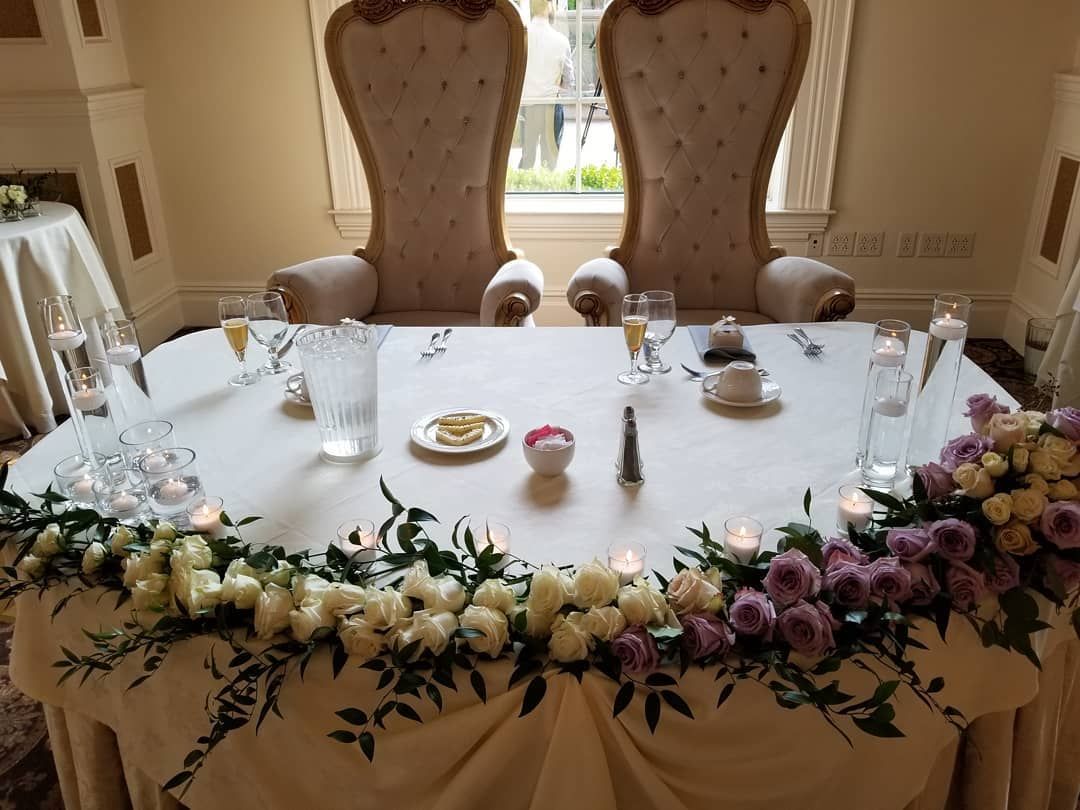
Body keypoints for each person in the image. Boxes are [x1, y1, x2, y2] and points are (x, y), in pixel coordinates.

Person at [520, 0, 574, 171]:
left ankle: (522, 186)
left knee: (527, 158)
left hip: (526, 105)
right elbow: (569, 81)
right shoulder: (561, 41)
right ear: (550, 8)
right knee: (549, 162)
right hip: (551, 106)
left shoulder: (521, 38)